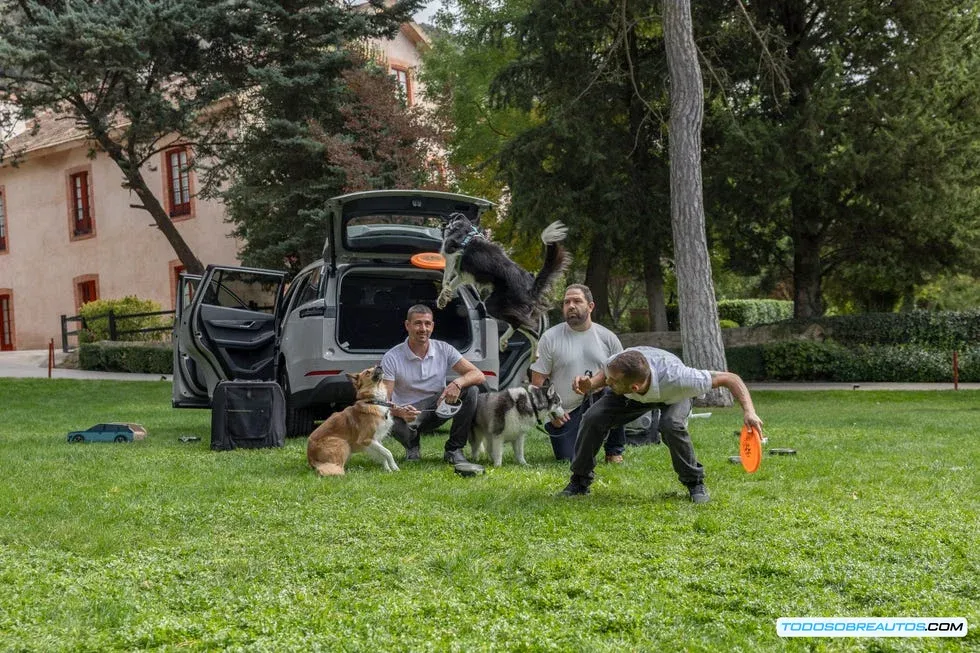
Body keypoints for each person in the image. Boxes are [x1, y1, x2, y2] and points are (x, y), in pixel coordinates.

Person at [558, 347, 764, 504]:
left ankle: (695, 483)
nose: (608, 384)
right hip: (630, 397)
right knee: (593, 418)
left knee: (671, 425)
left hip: (674, 395)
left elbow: (730, 378)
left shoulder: (682, 378)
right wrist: (592, 384)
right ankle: (579, 481)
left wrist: (749, 411)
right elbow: (606, 373)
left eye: (612, 382)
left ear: (634, 387)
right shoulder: (619, 364)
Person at [529, 284, 629, 463]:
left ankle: (614, 450)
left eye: (577, 301)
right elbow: (537, 383)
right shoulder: (549, 338)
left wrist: (595, 384)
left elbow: (624, 378)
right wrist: (551, 413)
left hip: (600, 399)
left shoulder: (608, 338)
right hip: (565, 411)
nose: (571, 306)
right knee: (567, 458)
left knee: (616, 392)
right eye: (566, 302)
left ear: (590, 306)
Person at [382, 304, 486, 464]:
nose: (423, 328)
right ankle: (412, 447)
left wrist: (457, 383)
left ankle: (454, 450)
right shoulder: (392, 357)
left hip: (437, 408)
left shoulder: (444, 349)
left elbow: (478, 374)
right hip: (406, 415)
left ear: (432, 326)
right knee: (385, 416)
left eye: (427, 323)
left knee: (471, 390)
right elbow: (383, 401)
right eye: (417, 323)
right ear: (407, 325)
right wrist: (399, 412)